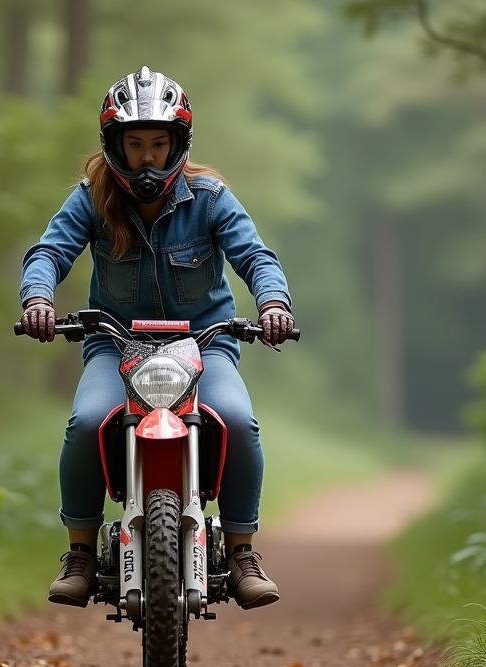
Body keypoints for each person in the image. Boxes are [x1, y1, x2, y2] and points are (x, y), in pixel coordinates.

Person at [18, 66, 295, 611]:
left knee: (236, 420)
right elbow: (48, 252)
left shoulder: (212, 199)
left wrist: (273, 303)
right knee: (85, 422)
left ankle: (242, 552)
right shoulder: (92, 199)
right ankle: (78, 553)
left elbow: (255, 257)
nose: (147, 158)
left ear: (179, 145)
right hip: (115, 344)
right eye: (136, 143)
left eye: (159, 143)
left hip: (204, 344)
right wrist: (38, 299)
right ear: (114, 145)